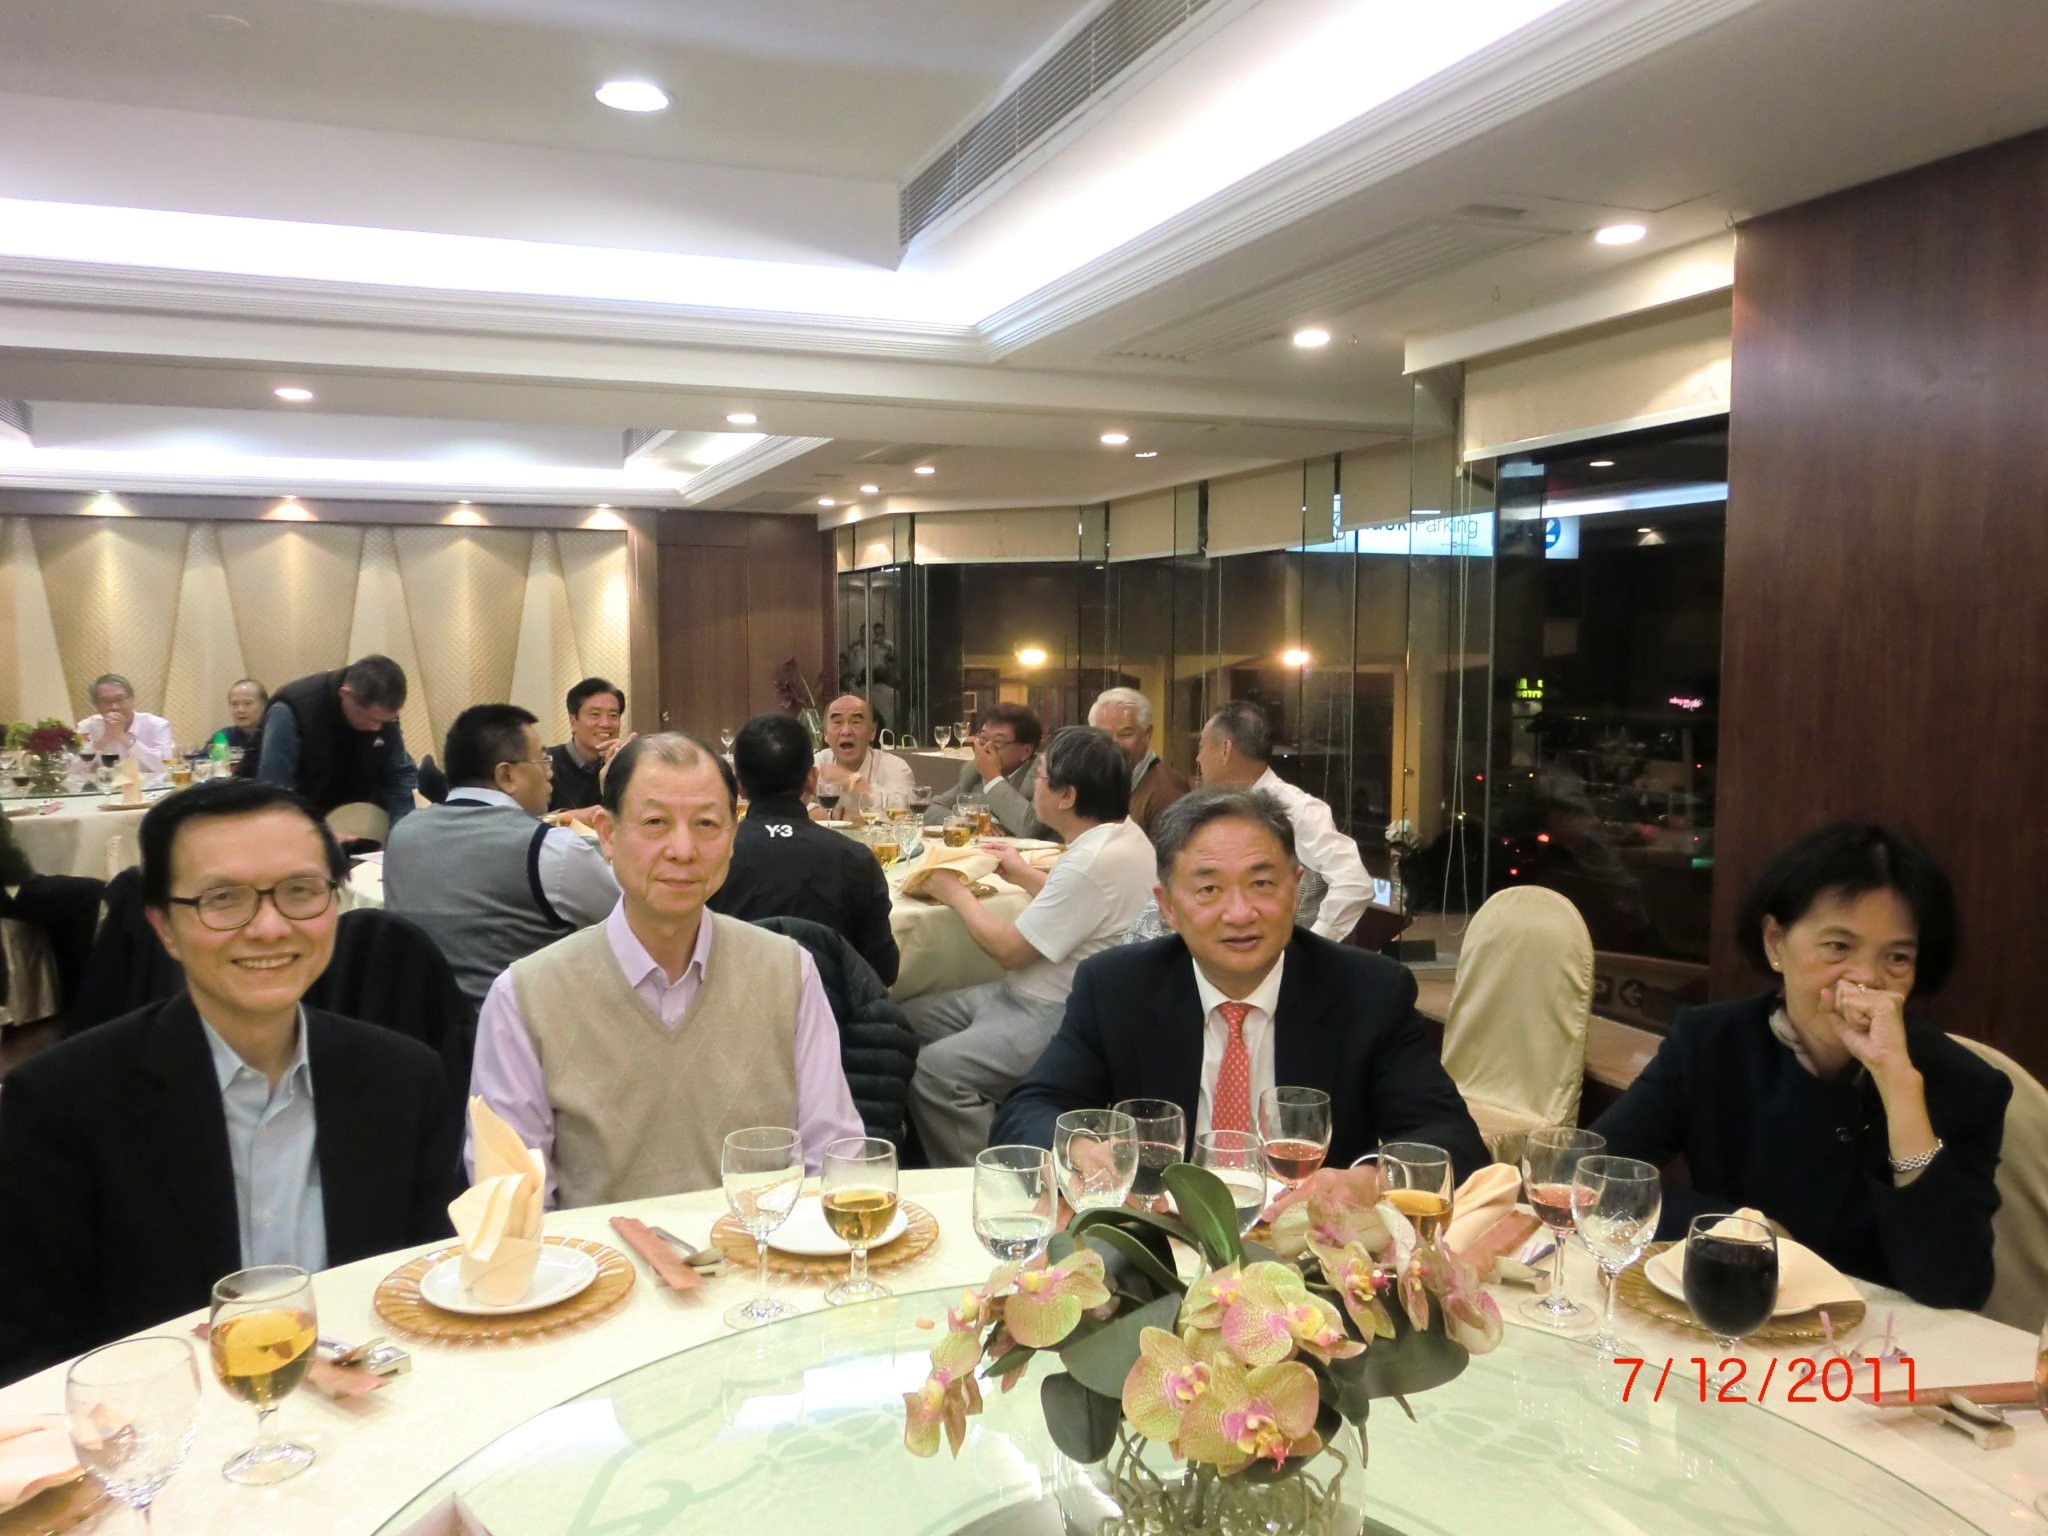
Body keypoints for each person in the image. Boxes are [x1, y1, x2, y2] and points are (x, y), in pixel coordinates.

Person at [0, 779, 462, 1382]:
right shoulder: (62, 1103)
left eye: (300, 891)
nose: (269, 927)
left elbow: (426, 1290)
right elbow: (30, 1355)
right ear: (164, 926)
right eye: (223, 899)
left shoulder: (403, 1080)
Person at [1591, 821, 2009, 1310]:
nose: (1865, 978)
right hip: (1730, 1314)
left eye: (1896, 958)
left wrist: (1899, 1087)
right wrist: (1739, 1229)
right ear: (1775, 942)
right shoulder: (1711, 1042)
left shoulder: (1962, 1083)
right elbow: (1595, 1178)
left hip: (1878, 1342)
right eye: (1839, 947)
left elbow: (1956, 1288)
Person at [994, 789, 1488, 1178]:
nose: (1240, 913)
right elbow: (1029, 1110)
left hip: (1311, 1249)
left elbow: (1452, 1139)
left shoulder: (1369, 991)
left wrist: (1370, 1180)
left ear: (1296, 888)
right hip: (1166, 1241)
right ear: (1168, 907)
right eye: (1209, 888)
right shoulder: (1117, 987)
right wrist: (1079, 1148)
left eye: (1262, 884)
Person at [469, 733, 863, 1207]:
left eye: (706, 824)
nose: (682, 849)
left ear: (732, 838)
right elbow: (514, 1208)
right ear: (607, 835)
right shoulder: (526, 996)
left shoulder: (787, 971)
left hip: (765, 1248)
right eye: (655, 822)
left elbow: (836, 1163)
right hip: (599, 1255)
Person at [907, 726, 1157, 1165]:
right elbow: (1084, 908)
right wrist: (1021, 873)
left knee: (936, 1072)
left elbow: (1009, 950)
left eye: (1039, 777)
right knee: (903, 1021)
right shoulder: (1123, 837)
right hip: (1022, 995)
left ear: (1067, 796)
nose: (1032, 787)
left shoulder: (1089, 861)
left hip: (1055, 1011)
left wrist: (955, 893)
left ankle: (997, 1181)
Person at [383, 704, 620, 1008]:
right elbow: (627, 915)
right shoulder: (549, 848)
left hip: (416, 1022)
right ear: (506, 775)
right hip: (515, 1026)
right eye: (542, 760)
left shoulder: (402, 833)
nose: (550, 774)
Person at [711, 713, 900, 986]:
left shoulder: (711, 856)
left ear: (738, 784)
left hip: (735, 1008)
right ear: (812, 779)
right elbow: (883, 971)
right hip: (834, 1011)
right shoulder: (855, 858)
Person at [1195, 701, 1372, 942]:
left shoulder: (1297, 809)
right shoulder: (1221, 809)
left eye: (1202, 747)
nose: (1198, 758)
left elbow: (1354, 883)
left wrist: (1315, 944)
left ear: (1225, 749)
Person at [250, 654, 420, 825]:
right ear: (345, 694)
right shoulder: (291, 710)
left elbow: (400, 775)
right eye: (370, 719)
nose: (376, 728)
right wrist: (320, 833)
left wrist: (401, 829)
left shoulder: (383, 716)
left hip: (353, 824)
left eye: (385, 721)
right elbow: (275, 795)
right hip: (293, 824)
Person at [928, 702, 1047, 839]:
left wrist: (993, 779)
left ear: (1026, 751)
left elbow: (1030, 828)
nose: (986, 748)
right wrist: (968, 822)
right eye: (983, 739)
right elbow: (931, 810)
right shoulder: (973, 771)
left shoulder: (1042, 775)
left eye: (998, 742)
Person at [1089, 687, 1190, 836]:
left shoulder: (1167, 792)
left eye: (1125, 734)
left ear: (1147, 734)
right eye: (1104, 736)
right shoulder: (1101, 778)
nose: (1114, 744)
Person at [548, 677, 633, 818]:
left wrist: (620, 769)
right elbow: (523, 821)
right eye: (595, 714)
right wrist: (568, 817)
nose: (605, 723)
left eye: (613, 715)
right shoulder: (544, 764)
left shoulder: (624, 766)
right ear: (573, 721)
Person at [813, 692, 915, 803]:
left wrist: (850, 780)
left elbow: (902, 806)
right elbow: (800, 806)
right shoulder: (816, 764)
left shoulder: (894, 767)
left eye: (856, 722)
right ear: (825, 734)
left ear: (872, 731)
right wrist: (843, 814)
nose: (846, 731)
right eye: (837, 722)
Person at [74, 672, 176, 773]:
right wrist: (103, 739)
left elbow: (166, 767)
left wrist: (123, 737)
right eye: (106, 701)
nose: (114, 707)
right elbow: (73, 771)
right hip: (105, 783)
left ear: (132, 699)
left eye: (120, 699)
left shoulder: (157, 725)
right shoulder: (86, 727)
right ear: (96, 705)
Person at [212, 678, 269, 753]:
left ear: (264, 706)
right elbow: (202, 758)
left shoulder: (274, 735)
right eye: (234, 704)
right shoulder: (225, 736)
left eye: (247, 703)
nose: (240, 710)